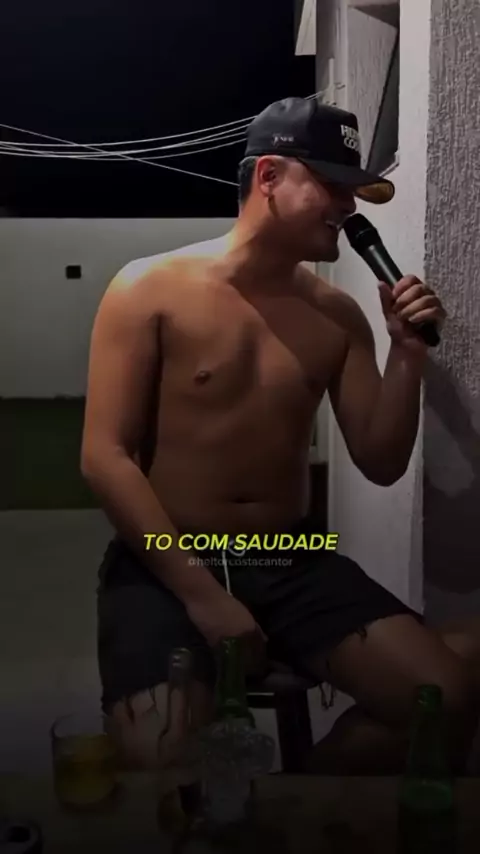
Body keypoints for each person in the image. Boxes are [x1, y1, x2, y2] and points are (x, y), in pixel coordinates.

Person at [81, 97, 476, 774]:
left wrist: (406, 355)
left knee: (443, 701)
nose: (348, 207)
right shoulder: (147, 289)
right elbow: (104, 458)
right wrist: (204, 596)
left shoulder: (338, 316)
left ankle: (293, 800)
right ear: (268, 176)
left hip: (289, 555)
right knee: (161, 760)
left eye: (354, 191)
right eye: (332, 185)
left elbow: (380, 461)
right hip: (166, 558)